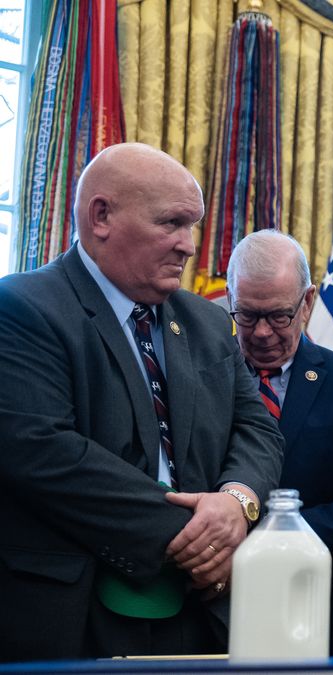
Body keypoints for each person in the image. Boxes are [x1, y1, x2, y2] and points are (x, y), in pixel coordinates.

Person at [0, 143, 284, 660]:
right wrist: (204, 539)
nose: (189, 245)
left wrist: (236, 503)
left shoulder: (207, 323)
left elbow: (257, 429)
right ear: (101, 216)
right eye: (172, 223)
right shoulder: (22, 308)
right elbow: (44, 453)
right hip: (74, 617)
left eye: (193, 225)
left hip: (204, 613)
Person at [226, 230, 333, 658]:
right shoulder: (202, 373)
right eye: (247, 316)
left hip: (316, 600)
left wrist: (270, 535)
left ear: (306, 302)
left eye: (279, 316)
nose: (262, 332)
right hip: (215, 601)